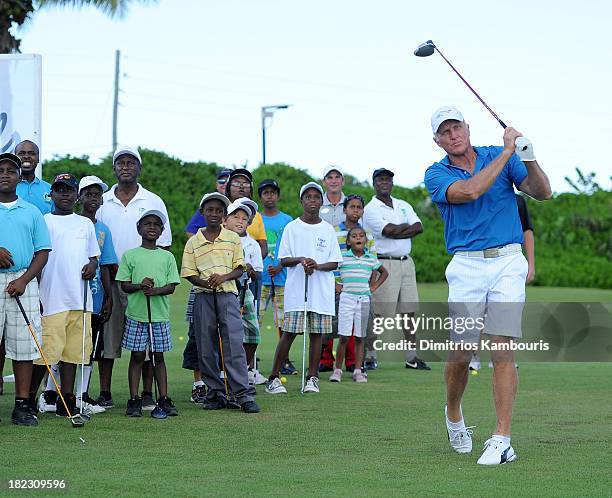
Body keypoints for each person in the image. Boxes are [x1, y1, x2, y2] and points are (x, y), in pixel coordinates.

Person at [424, 106, 551, 465]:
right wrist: (509, 151)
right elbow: (470, 191)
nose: (453, 135)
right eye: (445, 132)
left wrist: (529, 156)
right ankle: (453, 414)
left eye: (456, 127)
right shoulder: (436, 174)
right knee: (461, 354)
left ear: (467, 127)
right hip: (466, 266)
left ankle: (501, 438)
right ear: (437, 140)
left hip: (509, 260)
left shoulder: (501, 156)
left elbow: (543, 192)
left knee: (501, 349)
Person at [97, 145, 172, 410]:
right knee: (110, 338)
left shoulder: (153, 201)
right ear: (114, 168)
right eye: (121, 162)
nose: (126, 166)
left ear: (139, 168)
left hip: (145, 285)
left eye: (131, 162)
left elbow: (164, 245)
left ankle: (148, 393)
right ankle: (105, 392)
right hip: (113, 279)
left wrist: (147, 275)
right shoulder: (103, 201)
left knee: (148, 341)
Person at [180, 192, 260, 413]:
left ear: (224, 215)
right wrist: (206, 283)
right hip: (203, 296)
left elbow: (239, 267)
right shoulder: (193, 242)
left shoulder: (233, 238)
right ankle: (215, 392)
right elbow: (188, 272)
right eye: (210, 210)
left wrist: (222, 278)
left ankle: (242, 394)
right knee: (206, 345)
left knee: (234, 344)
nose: (214, 213)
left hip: (227, 295)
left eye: (218, 210)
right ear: (203, 212)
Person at [29, 173, 100, 419]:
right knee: (46, 353)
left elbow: (93, 256)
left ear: (77, 195)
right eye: (60, 190)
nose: (65, 194)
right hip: (51, 298)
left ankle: (66, 399)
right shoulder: (43, 221)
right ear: (52, 194)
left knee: (73, 352)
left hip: (79, 300)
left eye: (69, 190)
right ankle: (27, 398)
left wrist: (92, 266)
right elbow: (35, 257)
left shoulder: (85, 224)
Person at [265, 182, 342, 395]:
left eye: (316, 197)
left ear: (321, 201)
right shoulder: (292, 227)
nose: (312, 201)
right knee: (289, 332)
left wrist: (316, 265)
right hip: (297, 290)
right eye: (308, 197)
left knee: (317, 335)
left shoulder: (327, 229)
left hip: (320, 291)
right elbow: (284, 259)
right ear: (302, 201)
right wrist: (301, 260)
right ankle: (273, 377)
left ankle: (312, 377)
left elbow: (335, 262)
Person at [0, 153, 50, 426]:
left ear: (19, 177)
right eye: (1, 170)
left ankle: (22, 405)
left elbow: (43, 251)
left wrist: (24, 280)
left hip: (23, 280)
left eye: (11, 170)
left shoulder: (31, 210)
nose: (5, 174)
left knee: (25, 346)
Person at [363, 168, 430, 371]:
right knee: (380, 313)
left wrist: (396, 229)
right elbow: (387, 231)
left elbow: (418, 227)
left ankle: (412, 356)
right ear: (374, 183)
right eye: (381, 179)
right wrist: (401, 229)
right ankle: (369, 356)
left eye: (388, 179)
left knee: (409, 311)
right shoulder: (370, 209)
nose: (385, 183)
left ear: (392, 183)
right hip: (385, 262)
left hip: (406, 262)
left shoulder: (403, 205)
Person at [116, 209, 180, 417]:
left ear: (162, 231)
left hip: (159, 316)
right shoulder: (130, 255)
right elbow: (124, 285)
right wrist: (140, 286)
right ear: (139, 229)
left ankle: (163, 398)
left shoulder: (167, 256)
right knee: (136, 356)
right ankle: (134, 399)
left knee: (157, 357)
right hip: (136, 315)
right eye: (147, 224)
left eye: (156, 225)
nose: (152, 227)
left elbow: (171, 286)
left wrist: (155, 291)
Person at [469, 193, 535, 373]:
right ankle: (473, 357)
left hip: (509, 260)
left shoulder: (518, 200)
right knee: (478, 313)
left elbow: (527, 231)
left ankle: (501, 357)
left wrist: (531, 264)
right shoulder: (478, 194)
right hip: (478, 260)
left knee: (507, 311)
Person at [75, 176, 117, 412]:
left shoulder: (102, 230)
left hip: (96, 297)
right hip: (69, 296)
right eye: (88, 194)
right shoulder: (71, 221)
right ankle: (52, 394)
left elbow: (106, 265)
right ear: (79, 196)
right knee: (65, 346)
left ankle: (82, 395)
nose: (93, 198)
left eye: (97, 195)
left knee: (89, 348)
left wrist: (109, 298)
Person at [330, 227, 388, 383]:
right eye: (354, 236)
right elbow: (331, 271)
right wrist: (336, 284)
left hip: (363, 300)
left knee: (360, 337)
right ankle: (337, 370)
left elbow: (384, 272)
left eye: (361, 236)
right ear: (349, 241)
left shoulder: (370, 259)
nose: (358, 238)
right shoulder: (343, 258)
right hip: (346, 299)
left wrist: (374, 286)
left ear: (365, 241)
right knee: (343, 336)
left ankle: (358, 370)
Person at [223, 198, 266, 385]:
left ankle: (242, 369)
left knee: (252, 334)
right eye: (236, 216)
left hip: (244, 291)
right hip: (224, 290)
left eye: (245, 218)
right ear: (225, 219)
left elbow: (257, 273)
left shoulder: (252, 244)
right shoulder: (220, 239)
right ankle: (223, 373)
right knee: (226, 335)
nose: (241, 221)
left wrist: (249, 269)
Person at [319, 165, 356, 373]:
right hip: (326, 265)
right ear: (325, 181)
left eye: (337, 177)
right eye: (329, 177)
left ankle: (351, 360)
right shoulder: (317, 202)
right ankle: (325, 359)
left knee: (348, 314)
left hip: (348, 265)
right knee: (327, 313)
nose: (333, 180)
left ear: (342, 181)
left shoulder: (350, 203)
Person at [257, 179, 296, 376]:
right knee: (255, 319)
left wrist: (280, 264)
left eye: (273, 192)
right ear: (260, 197)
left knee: (283, 321)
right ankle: (251, 358)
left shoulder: (288, 220)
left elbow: (291, 247)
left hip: (282, 277)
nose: (270, 196)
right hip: (260, 277)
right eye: (266, 193)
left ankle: (284, 360)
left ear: (278, 196)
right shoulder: (255, 219)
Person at [185, 168, 233, 237]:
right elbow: (190, 230)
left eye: (228, 181)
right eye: (221, 181)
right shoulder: (209, 203)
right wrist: (204, 246)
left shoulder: (241, 204)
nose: (225, 184)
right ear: (216, 185)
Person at [14, 140, 53, 215]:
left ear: (38, 159)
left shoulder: (50, 189)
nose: (26, 156)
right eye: (21, 153)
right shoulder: (6, 189)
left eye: (31, 153)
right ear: (15, 158)